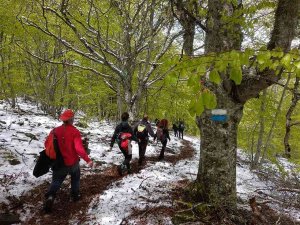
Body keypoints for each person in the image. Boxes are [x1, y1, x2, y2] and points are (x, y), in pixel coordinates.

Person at [44, 109, 93, 213]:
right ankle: (75, 195)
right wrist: (88, 160)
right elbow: (79, 149)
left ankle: (50, 196)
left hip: (59, 163)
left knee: (56, 180)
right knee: (75, 178)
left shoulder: (54, 131)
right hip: (73, 162)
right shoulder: (75, 132)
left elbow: (46, 145)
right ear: (71, 119)